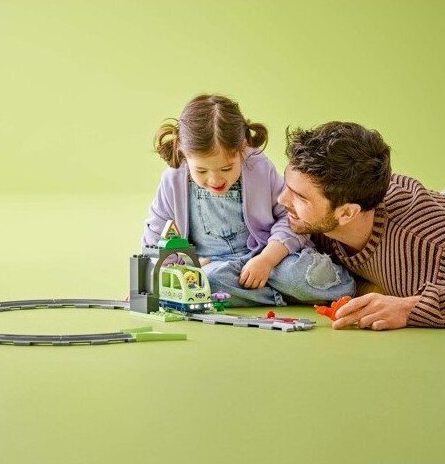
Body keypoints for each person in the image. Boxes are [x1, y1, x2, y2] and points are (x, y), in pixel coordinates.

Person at [277, 121, 445, 329]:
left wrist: (408, 308)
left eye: (300, 198)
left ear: (347, 213)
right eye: (287, 186)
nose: (281, 200)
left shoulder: (430, 246)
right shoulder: (317, 215)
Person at [143, 94, 356, 307]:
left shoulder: (259, 168)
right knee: (205, 282)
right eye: (201, 171)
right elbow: (156, 236)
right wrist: (153, 284)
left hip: (268, 257)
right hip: (213, 267)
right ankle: (283, 296)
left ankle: (280, 289)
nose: (215, 180)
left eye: (227, 168)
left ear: (243, 148)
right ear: (184, 153)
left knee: (298, 274)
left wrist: (266, 260)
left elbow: (290, 219)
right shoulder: (173, 180)